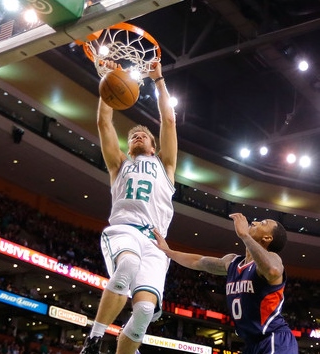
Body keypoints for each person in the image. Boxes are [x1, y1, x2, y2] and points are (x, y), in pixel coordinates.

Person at [81, 60, 177, 354]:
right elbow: (103, 123)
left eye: (144, 135)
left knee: (145, 313)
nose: (137, 136)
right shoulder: (119, 164)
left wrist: (158, 80)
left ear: (152, 146)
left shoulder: (166, 165)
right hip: (124, 230)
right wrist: (109, 81)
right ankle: (94, 339)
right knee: (127, 266)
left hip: (156, 243)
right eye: (132, 135)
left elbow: (169, 122)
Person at [153, 212, 298, 354]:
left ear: (267, 238)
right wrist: (168, 251)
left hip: (274, 339)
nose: (254, 222)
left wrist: (245, 235)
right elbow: (199, 261)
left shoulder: (273, 259)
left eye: (263, 223)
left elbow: (272, 270)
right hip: (251, 344)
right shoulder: (233, 262)